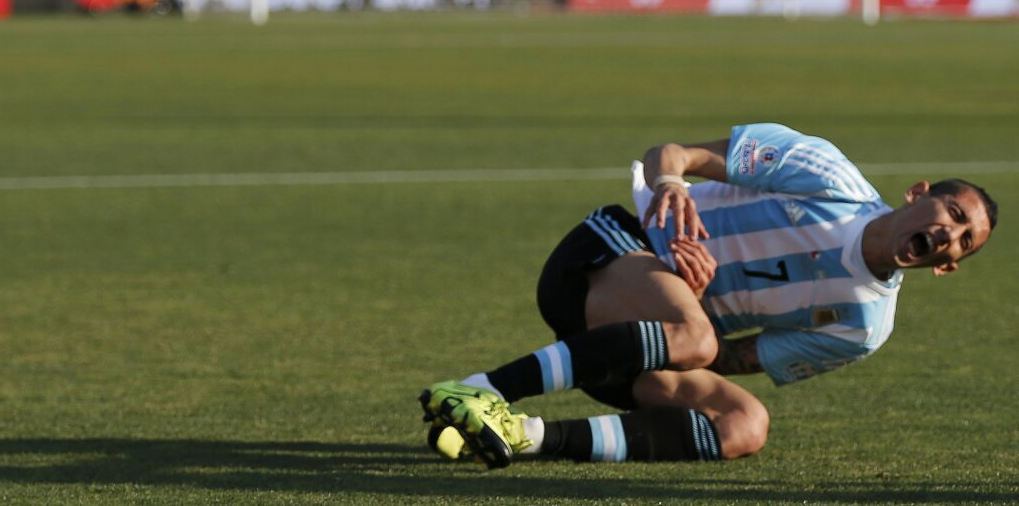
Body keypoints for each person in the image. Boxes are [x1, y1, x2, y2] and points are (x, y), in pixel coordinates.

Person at [419, 122, 997, 468]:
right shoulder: (828, 175)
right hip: (603, 257)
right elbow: (669, 154)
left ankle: (522, 437)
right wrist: (672, 185)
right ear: (918, 194)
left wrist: (693, 308)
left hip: (634, 353)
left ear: (948, 268)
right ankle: (480, 390)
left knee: (745, 425)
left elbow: (729, 358)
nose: (950, 233)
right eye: (950, 213)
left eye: (963, 240)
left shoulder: (862, 327)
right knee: (693, 335)